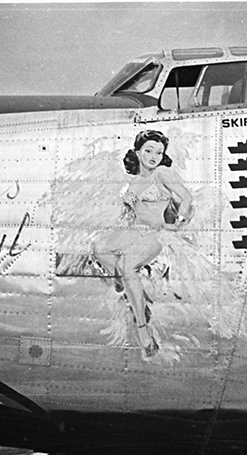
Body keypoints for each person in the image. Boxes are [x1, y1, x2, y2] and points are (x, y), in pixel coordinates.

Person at [97, 130, 193, 358]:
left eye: (159, 152)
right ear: (138, 152)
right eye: (148, 150)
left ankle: (143, 329)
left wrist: (177, 224)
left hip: (156, 233)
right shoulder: (133, 181)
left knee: (127, 264)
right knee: (100, 248)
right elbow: (129, 214)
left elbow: (187, 198)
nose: (154, 156)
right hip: (135, 230)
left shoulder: (162, 173)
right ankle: (129, 288)